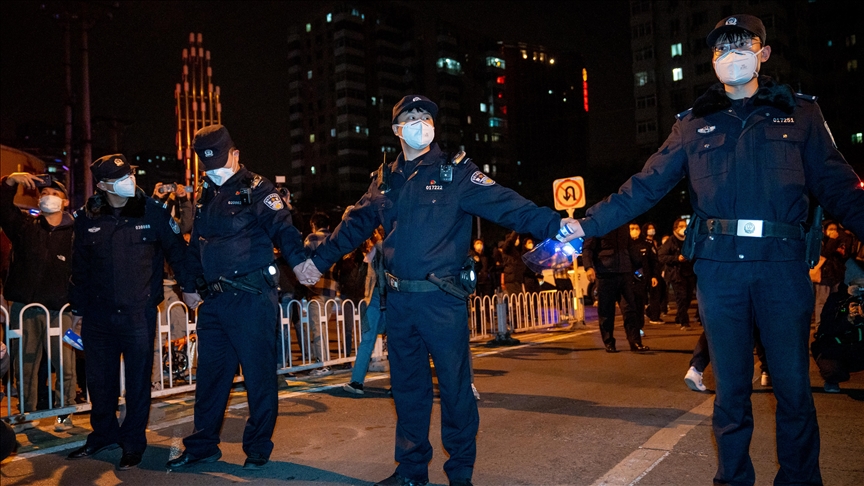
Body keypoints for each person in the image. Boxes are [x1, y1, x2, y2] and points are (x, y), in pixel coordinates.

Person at [561, 14, 864, 485]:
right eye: (722, 48)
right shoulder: (693, 124)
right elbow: (644, 187)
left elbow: (841, 187)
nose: (731, 55)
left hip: (781, 268)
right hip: (720, 272)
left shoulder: (801, 114)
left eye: (742, 44)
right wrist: (585, 225)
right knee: (730, 396)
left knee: (793, 391)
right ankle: (733, 479)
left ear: (763, 53)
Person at [294, 94, 576, 486]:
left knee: (456, 391)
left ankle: (460, 474)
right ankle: (411, 472)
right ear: (397, 130)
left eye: (425, 117)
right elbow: (354, 225)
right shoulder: (384, 178)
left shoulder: (456, 172)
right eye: (410, 117)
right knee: (408, 391)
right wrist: (316, 262)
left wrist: (554, 224)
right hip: (400, 303)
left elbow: (507, 204)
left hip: (442, 301)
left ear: (434, 127)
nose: (418, 122)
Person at [166, 124, 308, 471]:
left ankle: (258, 445)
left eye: (219, 163)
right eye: (207, 167)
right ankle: (202, 445)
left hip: (251, 298)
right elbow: (195, 245)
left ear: (235, 154)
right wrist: (189, 283)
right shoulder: (204, 195)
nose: (214, 171)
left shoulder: (257, 189)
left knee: (258, 377)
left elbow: (284, 229)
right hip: (213, 303)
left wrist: (302, 262)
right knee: (211, 378)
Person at [67, 154, 197, 470]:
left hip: (138, 315)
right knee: (100, 382)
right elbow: (80, 269)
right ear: (102, 185)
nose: (130, 180)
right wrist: (78, 310)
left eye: (130, 174)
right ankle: (102, 436)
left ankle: (133, 443)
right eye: (120, 177)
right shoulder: (88, 218)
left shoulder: (153, 213)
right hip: (98, 316)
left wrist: (189, 288)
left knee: (138, 384)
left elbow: (178, 254)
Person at [0, 172, 77, 429]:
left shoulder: (76, 234)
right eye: (44, 194)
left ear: (65, 201)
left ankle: (64, 413)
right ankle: (25, 414)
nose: (48, 198)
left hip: (62, 308)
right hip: (25, 308)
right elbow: (3, 207)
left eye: (55, 194)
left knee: (64, 363)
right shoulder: (24, 228)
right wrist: (10, 181)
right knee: (24, 364)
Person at [582, 224, 650, 353]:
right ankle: (609, 342)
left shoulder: (623, 223)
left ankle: (635, 342)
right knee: (606, 310)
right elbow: (588, 248)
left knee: (630, 308)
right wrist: (588, 267)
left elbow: (630, 247)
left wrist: (638, 266)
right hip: (605, 272)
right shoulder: (598, 223)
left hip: (624, 271)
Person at [344, 230, 386, 395]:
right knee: (393, 341)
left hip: (382, 296)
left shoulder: (380, 245)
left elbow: (372, 261)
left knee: (369, 340)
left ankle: (357, 382)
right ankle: (358, 382)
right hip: (387, 296)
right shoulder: (390, 244)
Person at [302, 212, 340, 377]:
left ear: (313, 225)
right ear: (329, 226)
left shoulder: (311, 238)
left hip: (316, 289)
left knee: (317, 327)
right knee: (323, 325)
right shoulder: (334, 238)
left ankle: (322, 364)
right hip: (331, 287)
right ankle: (327, 362)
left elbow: (303, 260)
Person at [658, 218, 696, 330]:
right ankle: (684, 323)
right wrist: (677, 258)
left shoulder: (689, 240)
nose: (684, 228)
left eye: (685, 225)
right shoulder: (671, 241)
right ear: (676, 228)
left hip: (689, 273)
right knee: (681, 298)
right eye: (681, 226)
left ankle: (679, 318)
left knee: (688, 298)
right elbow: (662, 256)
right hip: (677, 275)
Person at [641, 222, 665, 324]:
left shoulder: (652, 243)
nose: (652, 230)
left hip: (656, 273)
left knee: (662, 291)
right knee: (654, 295)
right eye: (649, 228)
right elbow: (648, 262)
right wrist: (652, 276)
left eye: (653, 228)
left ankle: (651, 311)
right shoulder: (645, 244)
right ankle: (654, 316)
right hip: (651, 275)